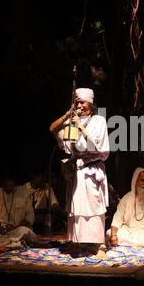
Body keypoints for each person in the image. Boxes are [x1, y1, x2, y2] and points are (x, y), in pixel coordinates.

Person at [49, 87, 109, 243]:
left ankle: (98, 244)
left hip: (92, 170)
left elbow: (99, 148)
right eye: (77, 103)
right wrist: (67, 115)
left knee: (94, 208)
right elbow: (53, 128)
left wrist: (81, 127)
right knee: (77, 208)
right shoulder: (72, 121)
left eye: (82, 102)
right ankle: (78, 242)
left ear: (90, 102)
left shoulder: (98, 121)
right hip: (77, 172)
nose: (80, 106)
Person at [107, 167, 144, 247]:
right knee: (110, 233)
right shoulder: (127, 198)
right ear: (135, 181)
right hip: (130, 231)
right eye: (142, 180)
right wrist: (114, 235)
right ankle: (141, 244)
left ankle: (128, 244)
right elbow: (117, 218)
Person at [0, 175, 36, 248]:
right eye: (6, 185)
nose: (8, 187)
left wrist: (13, 228)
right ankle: (14, 244)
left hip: (17, 230)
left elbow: (29, 218)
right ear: (2, 183)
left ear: (14, 182)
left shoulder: (25, 193)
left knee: (26, 231)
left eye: (10, 184)